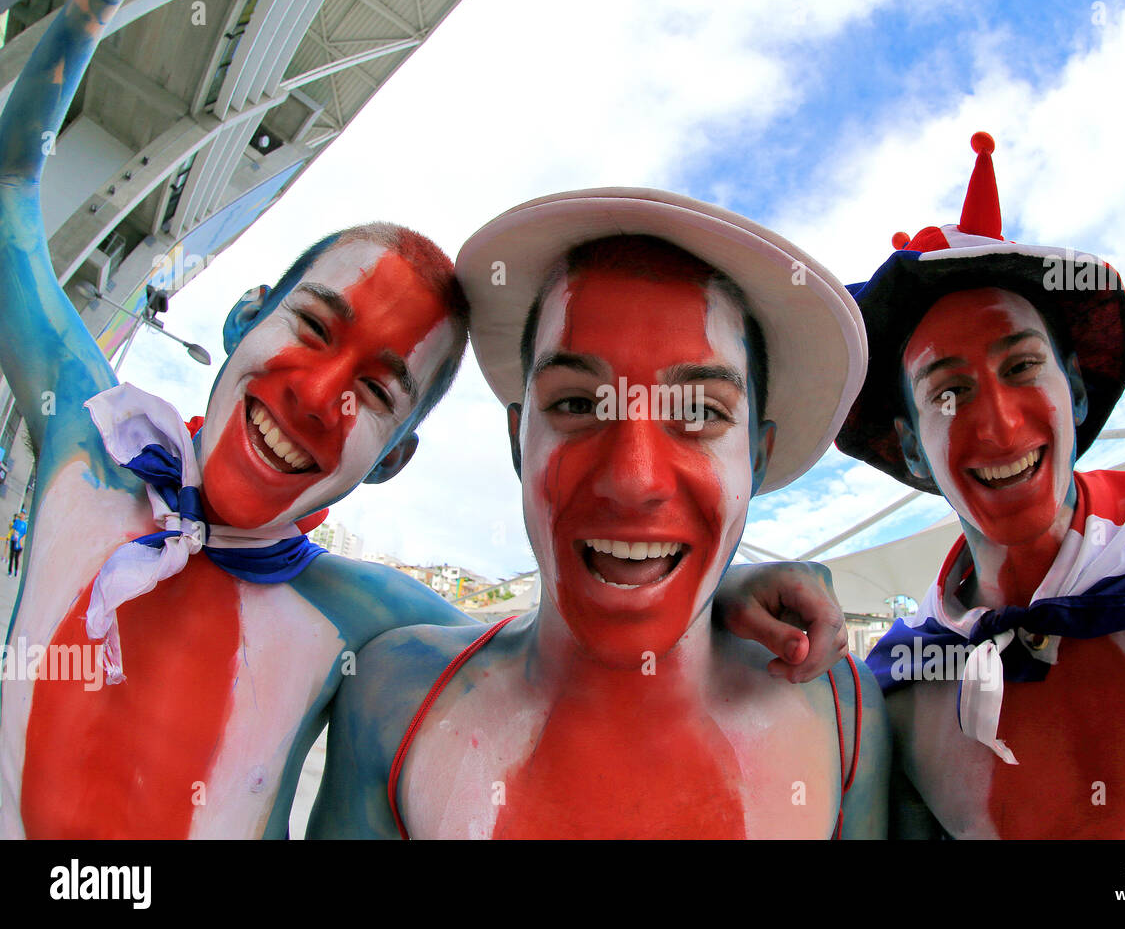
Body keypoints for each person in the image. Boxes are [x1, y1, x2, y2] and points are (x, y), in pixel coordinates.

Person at [0, 0, 853, 838]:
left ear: (394, 459)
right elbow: (8, 199)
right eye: (311, 327)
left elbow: (556, 640)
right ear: (241, 315)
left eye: (376, 393)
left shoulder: (362, 617)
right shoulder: (89, 443)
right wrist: (82, 15)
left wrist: (719, 583)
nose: (315, 396)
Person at [309, 188, 889, 838]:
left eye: (698, 412)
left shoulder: (845, 710)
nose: (632, 480)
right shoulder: (393, 698)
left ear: (757, 455)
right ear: (517, 442)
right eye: (579, 405)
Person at [836, 133, 1125, 838]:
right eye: (950, 393)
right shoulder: (900, 683)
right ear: (912, 449)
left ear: (1075, 391)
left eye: (1021, 367)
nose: (996, 425)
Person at [7, 509, 26, 577]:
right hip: (14, 540)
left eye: (23, 514)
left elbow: (25, 534)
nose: (22, 515)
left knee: (16, 558)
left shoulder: (24, 524)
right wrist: (10, 536)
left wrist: (21, 540)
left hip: (19, 543)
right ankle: (10, 571)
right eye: (21, 513)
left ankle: (16, 570)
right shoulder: (17, 521)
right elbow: (13, 529)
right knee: (11, 556)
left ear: (24, 515)